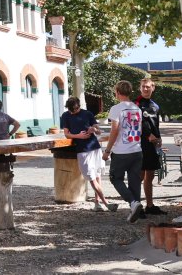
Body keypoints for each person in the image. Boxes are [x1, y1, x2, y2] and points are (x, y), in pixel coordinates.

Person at [60, 96, 114, 212]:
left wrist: (94, 130)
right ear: (69, 108)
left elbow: (98, 130)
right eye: (73, 109)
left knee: (97, 175)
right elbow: (66, 134)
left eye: (77, 108)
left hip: (94, 147)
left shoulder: (88, 114)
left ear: (79, 105)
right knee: (91, 177)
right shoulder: (66, 116)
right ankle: (106, 203)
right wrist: (78, 136)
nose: (75, 111)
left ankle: (97, 203)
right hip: (82, 150)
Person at [103, 80, 146, 223]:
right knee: (134, 181)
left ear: (117, 92)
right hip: (136, 149)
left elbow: (114, 130)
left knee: (115, 178)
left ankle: (133, 203)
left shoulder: (116, 109)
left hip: (121, 151)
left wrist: (107, 150)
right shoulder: (137, 108)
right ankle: (135, 208)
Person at [136, 77, 165, 215]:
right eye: (143, 87)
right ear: (140, 88)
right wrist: (147, 135)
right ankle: (136, 206)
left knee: (151, 175)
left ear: (153, 88)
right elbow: (137, 123)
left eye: (148, 87)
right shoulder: (136, 103)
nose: (146, 89)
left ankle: (150, 205)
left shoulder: (155, 105)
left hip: (153, 145)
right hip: (141, 143)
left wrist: (158, 137)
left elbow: (156, 124)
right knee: (139, 176)